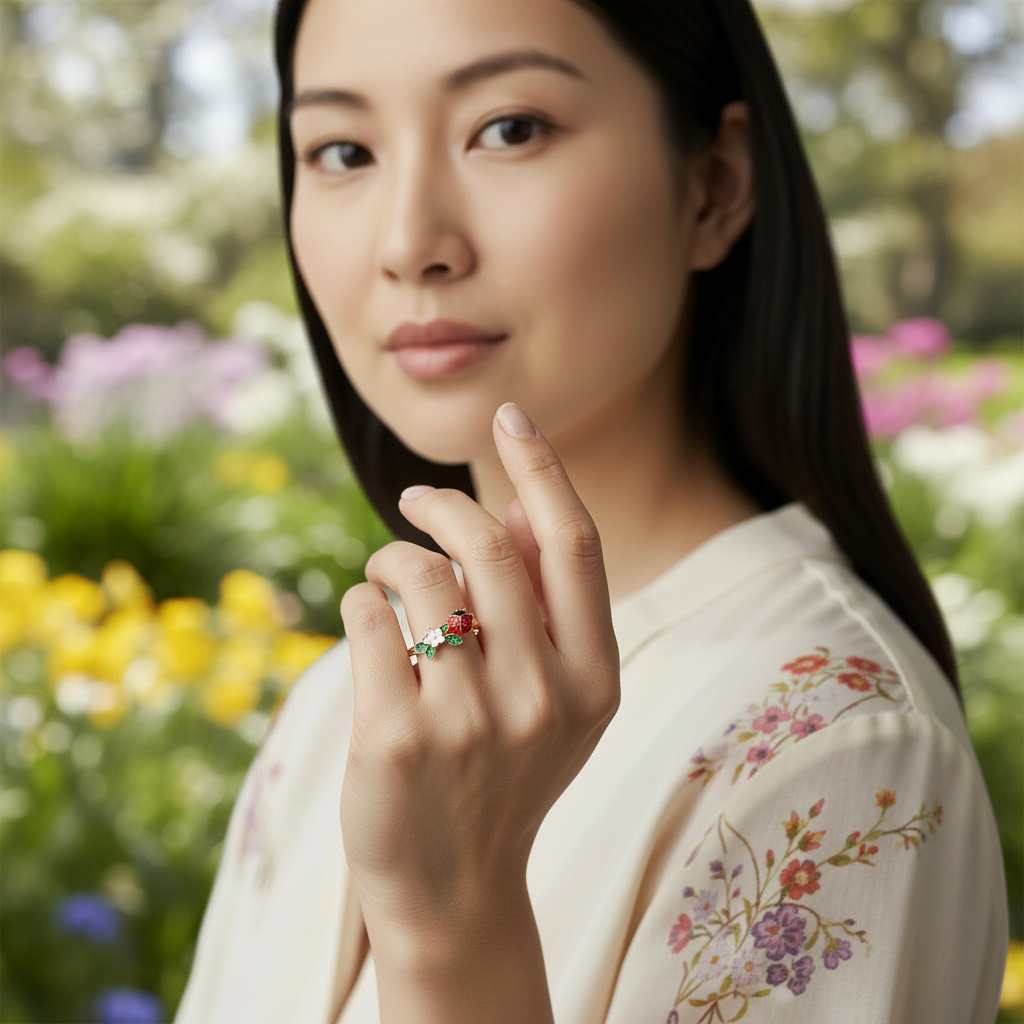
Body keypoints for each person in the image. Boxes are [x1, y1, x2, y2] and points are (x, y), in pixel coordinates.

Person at [174, 0, 1008, 1021]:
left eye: (509, 128)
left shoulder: (839, 747)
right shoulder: (334, 711)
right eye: (343, 149)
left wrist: (453, 934)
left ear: (714, 183)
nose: (408, 243)